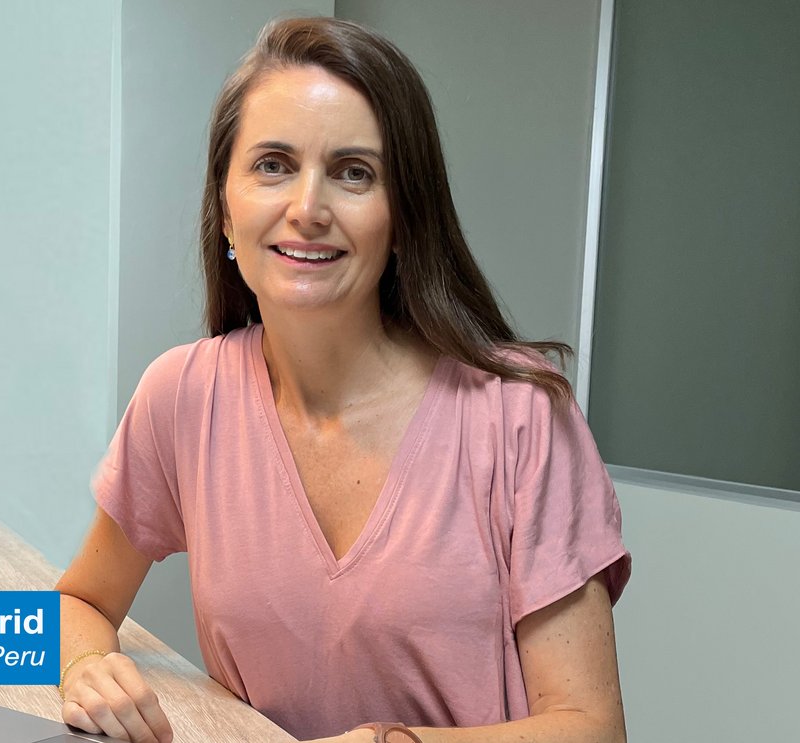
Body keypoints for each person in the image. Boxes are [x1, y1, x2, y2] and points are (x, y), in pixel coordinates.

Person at [54, 16, 631, 743]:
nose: (307, 208)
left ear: (402, 218)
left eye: (353, 172)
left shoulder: (520, 414)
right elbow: (80, 600)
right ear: (226, 211)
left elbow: (592, 728)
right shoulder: (183, 395)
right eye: (272, 165)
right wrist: (86, 667)